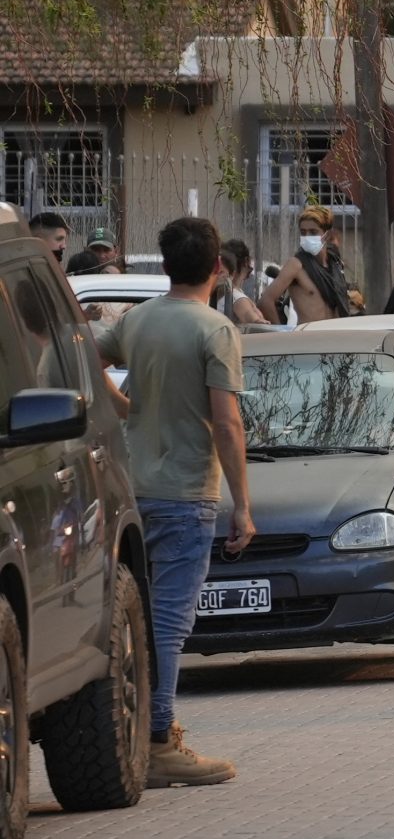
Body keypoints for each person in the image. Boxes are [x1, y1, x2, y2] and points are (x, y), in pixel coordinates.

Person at [93, 216, 254, 786]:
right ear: (218, 267)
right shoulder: (215, 330)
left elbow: (86, 352)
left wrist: (121, 404)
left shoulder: (138, 321)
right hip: (188, 494)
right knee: (168, 620)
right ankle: (158, 738)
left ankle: (145, 733)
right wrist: (244, 505)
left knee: (135, 618)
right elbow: (227, 424)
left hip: (134, 493)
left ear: (163, 266)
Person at [262, 205, 352, 323]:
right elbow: (265, 301)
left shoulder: (335, 264)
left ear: (327, 234)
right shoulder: (296, 265)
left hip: (335, 335)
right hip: (309, 337)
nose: (307, 236)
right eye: (303, 232)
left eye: (313, 232)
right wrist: (280, 332)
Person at [213, 242, 266, 326]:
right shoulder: (236, 297)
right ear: (246, 261)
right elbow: (250, 317)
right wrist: (258, 321)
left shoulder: (221, 294)